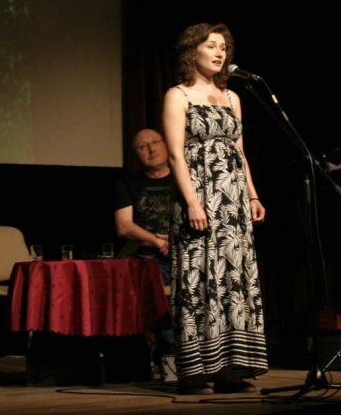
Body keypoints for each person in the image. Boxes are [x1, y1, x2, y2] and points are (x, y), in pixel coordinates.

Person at [162, 23, 268, 395]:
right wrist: (192, 202)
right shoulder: (178, 96)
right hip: (199, 197)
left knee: (232, 280)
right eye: (211, 45)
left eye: (223, 47)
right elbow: (175, 155)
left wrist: (252, 196)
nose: (220, 53)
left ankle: (228, 369)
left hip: (232, 204)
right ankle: (194, 372)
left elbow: (239, 151)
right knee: (199, 278)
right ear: (192, 51)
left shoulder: (231, 97)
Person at [113, 128, 176, 357]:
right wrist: (158, 242)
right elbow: (124, 227)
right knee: (154, 277)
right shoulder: (129, 184)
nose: (151, 149)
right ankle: (169, 352)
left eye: (155, 142)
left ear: (166, 145)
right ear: (136, 155)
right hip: (146, 256)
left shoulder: (184, 180)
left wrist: (175, 241)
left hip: (184, 252)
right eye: (142, 146)